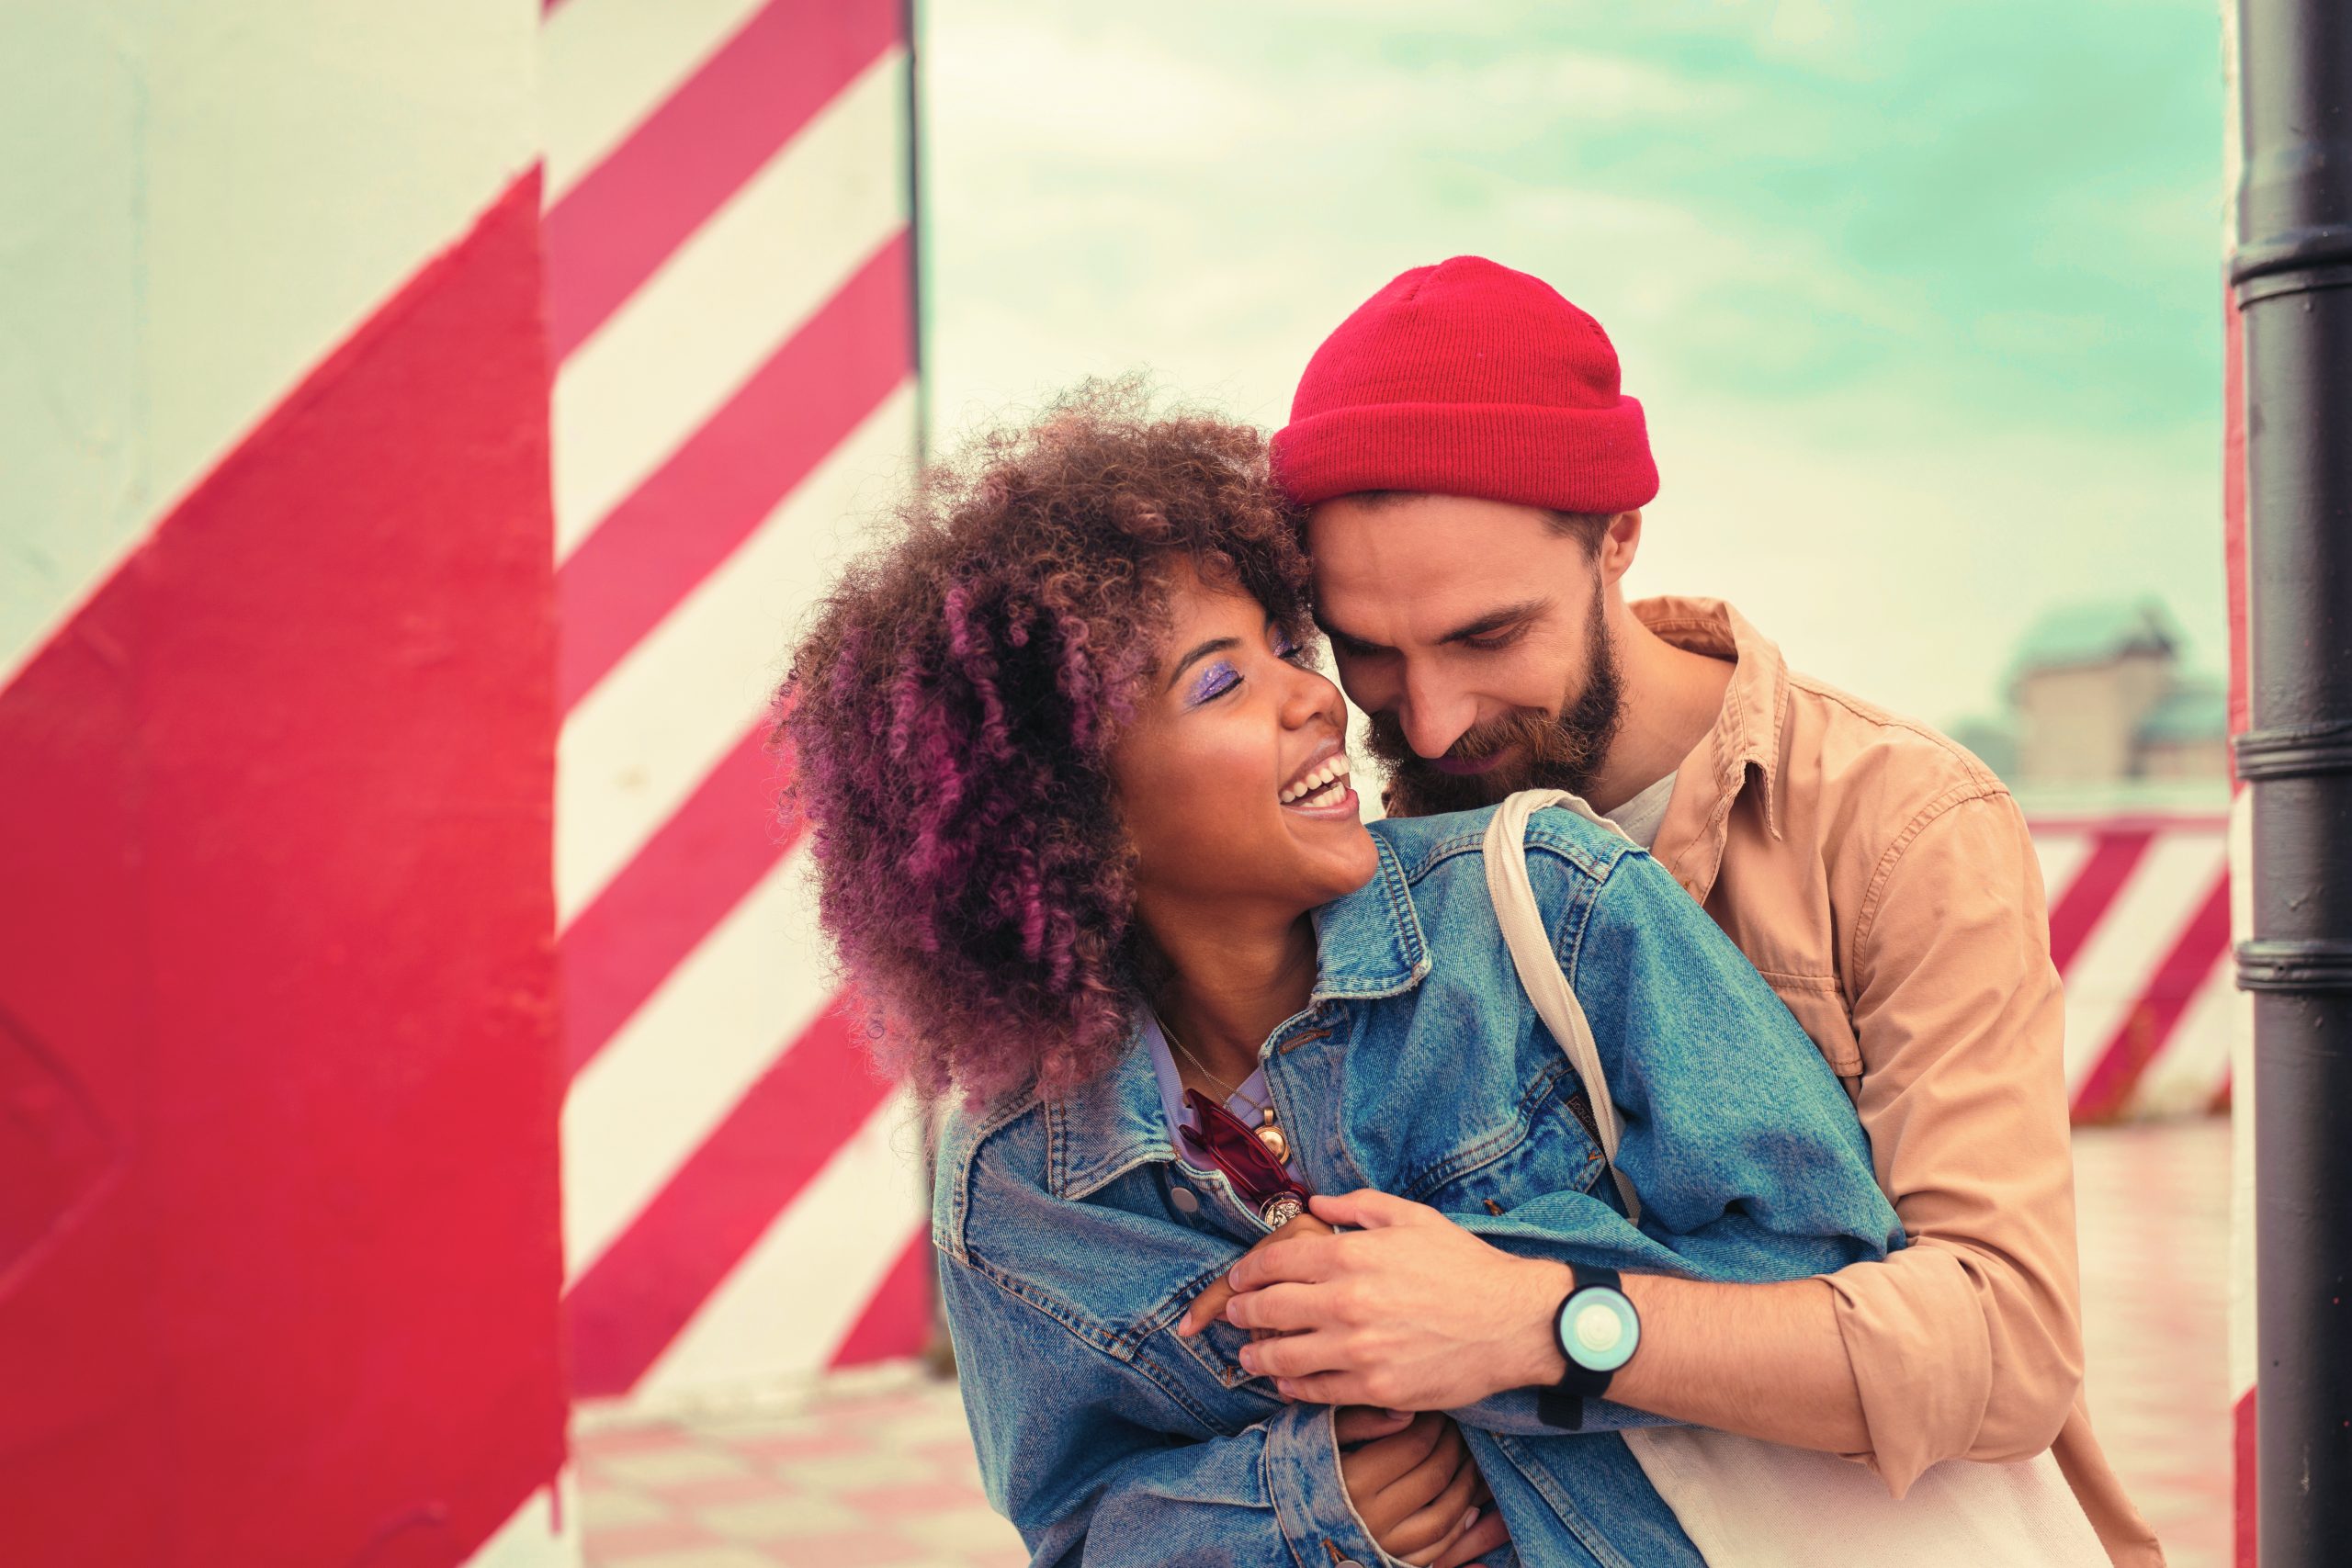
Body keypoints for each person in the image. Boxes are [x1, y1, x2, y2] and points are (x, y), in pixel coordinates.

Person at [778, 390, 1912, 1567]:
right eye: (1220, 685)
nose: (1318, 697)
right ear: (1071, 817)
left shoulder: (1556, 903)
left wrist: (1498, 1312)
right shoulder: (1019, 1181)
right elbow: (1078, 1527)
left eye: (1285, 647)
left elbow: (1833, 1273)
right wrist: (1304, 1504)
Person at [1198, 255, 2158, 1565]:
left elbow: (2002, 1347)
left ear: (1618, 537)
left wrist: (1548, 1322)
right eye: (1370, 650)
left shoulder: (1898, 820)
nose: (1425, 720)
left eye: (1486, 637)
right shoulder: (1366, 852)